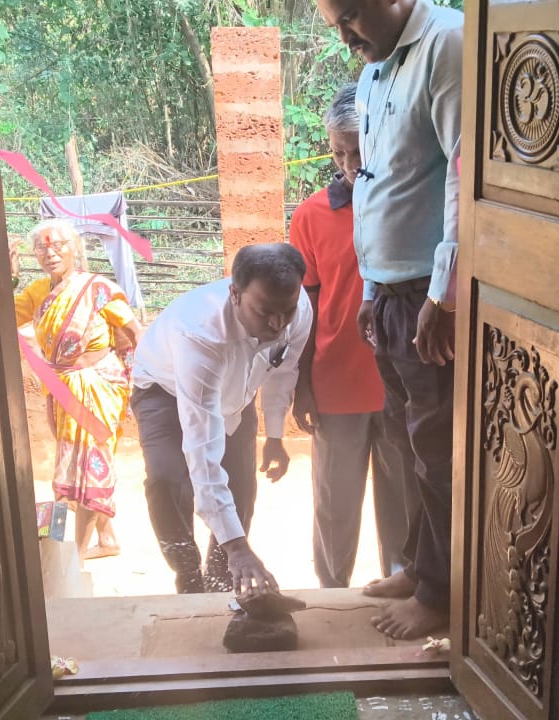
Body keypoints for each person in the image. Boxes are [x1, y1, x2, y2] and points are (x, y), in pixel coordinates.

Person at [315, 0, 463, 639]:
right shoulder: (376, 69)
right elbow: (378, 184)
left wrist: (445, 294)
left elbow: (464, 174)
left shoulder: (448, 44)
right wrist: (372, 289)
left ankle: (441, 595)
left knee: (438, 451)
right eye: (335, 25)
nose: (345, 37)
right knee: (409, 446)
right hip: (393, 296)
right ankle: (419, 566)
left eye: (350, 16)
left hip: (430, 298)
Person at [130, 243, 312, 598]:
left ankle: (222, 575)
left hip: (236, 396)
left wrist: (275, 435)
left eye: (285, 312)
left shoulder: (299, 305)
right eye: (264, 312)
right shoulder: (200, 333)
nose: (277, 324)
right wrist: (239, 548)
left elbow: (283, 369)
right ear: (235, 294)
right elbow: (202, 449)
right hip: (164, 388)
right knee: (168, 479)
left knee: (241, 488)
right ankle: (188, 575)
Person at [290, 82, 412, 589]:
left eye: (357, 151)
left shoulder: (408, 206)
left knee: (403, 498)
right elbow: (305, 309)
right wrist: (301, 384)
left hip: (402, 382)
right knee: (335, 502)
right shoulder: (311, 216)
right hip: (336, 384)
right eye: (338, 152)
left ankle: (401, 582)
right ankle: (332, 589)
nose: (348, 164)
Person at [15, 220, 142, 565]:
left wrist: (142, 381)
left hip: (97, 386)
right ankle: (106, 538)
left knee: (85, 468)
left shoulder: (96, 288)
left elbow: (134, 331)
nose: (50, 253)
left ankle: (76, 559)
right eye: (42, 247)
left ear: (74, 248)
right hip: (61, 389)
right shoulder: (37, 292)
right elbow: (4, 315)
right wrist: (9, 277)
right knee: (76, 465)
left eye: (58, 245)